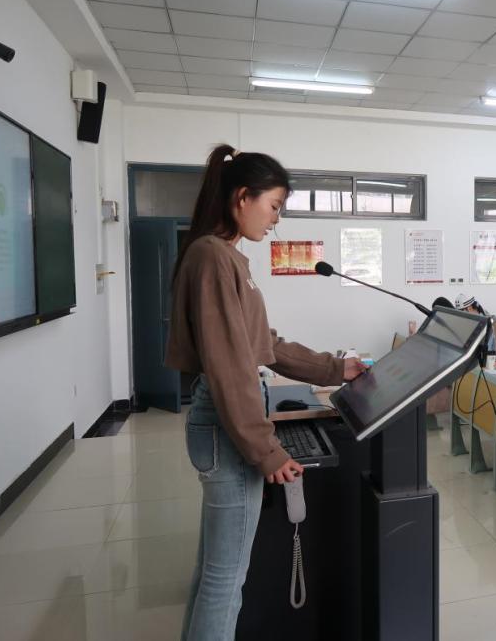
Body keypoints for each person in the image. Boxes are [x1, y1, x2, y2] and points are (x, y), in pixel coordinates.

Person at [166, 145, 367, 641]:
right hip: (228, 423)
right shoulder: (214, 257)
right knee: (225, 580)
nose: (276, 219)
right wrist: (265, 449)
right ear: (243, 197)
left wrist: (334, 367)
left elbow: (264, 345)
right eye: (274, 206)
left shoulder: (226, 258)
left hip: (225, 419)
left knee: (214, 571)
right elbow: (231, 366)